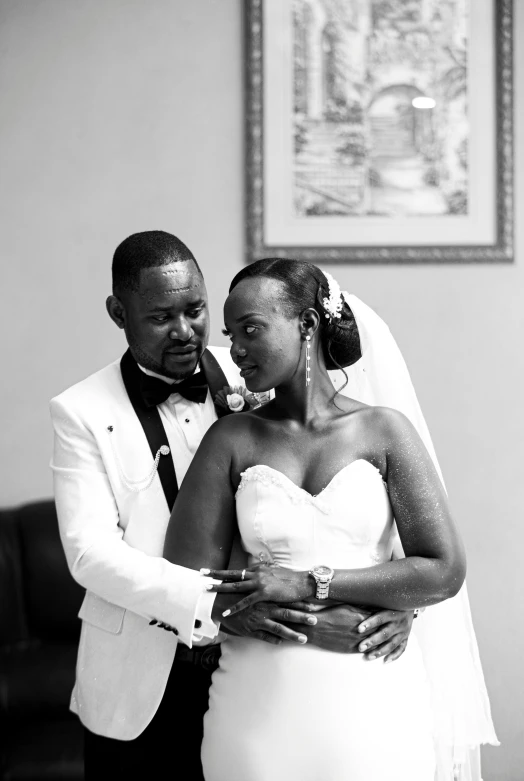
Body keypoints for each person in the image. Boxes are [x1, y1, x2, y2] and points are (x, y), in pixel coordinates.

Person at [50, 233, 414, 780]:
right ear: (117, 313)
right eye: (160, 316)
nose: (185, 330)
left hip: (263, 675)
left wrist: (401, 601)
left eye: (195, 310)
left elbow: (348, 504)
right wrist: (217, 605)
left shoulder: (259, 363)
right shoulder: (79, 411)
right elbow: (89, 554)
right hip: (146, 675)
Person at [164, 258, 499, 781]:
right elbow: (186, 581)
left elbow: (443, 570)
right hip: (258, 709)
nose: (237, 350)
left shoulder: (384, 431)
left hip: (376, 704)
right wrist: (304, 621)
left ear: (307, 325)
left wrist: (308, 585)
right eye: (231, 334)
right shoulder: (230, 440)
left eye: (251, 329)